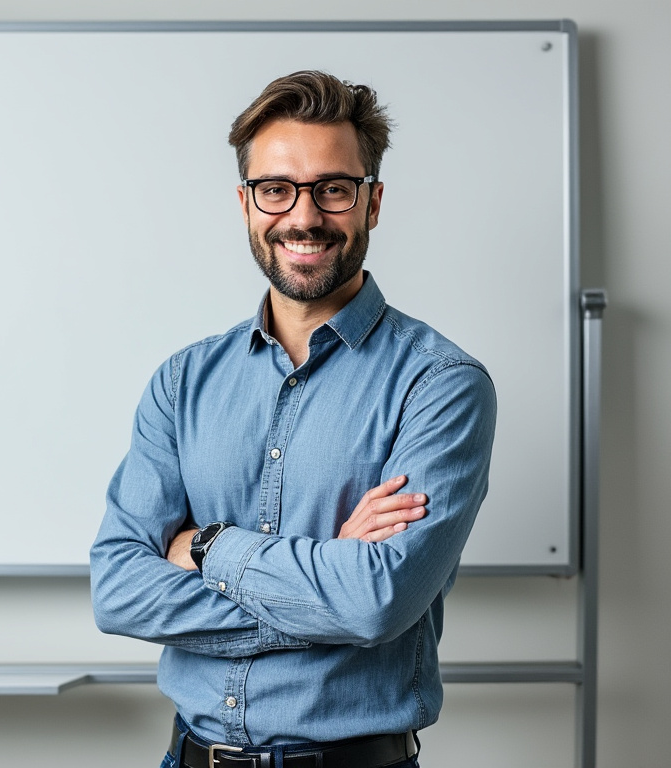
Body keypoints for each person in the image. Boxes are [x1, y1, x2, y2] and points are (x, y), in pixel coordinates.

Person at [90, 70, 497, 768]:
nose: (303, 217)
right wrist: (325, 588)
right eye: (276, 189)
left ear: (372, 202)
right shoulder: (183, 382)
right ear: (246, 204)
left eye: (333, 189)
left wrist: (211, 546)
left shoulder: (441, 385)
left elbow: (374, 602)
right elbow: (120, 590)